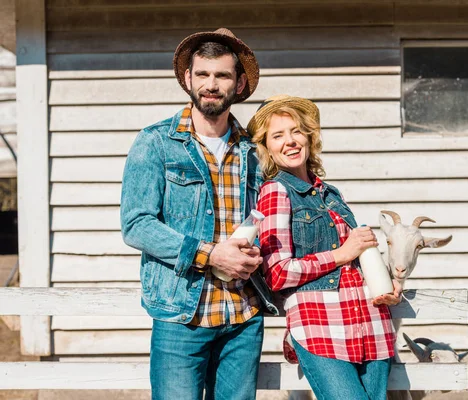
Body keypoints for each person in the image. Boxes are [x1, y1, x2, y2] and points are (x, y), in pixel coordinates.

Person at [120, 28, 276, 400]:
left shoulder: (255, 151)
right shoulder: (155, 142)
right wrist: (209, 254)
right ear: (188, 79)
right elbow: (136, 225)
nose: (211, 84)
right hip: (181, 316)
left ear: (239, 84)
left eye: (222, 75)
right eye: (203, 74)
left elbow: (269, 218)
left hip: (242, 317)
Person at [250, 95, 402, 400]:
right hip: (320, 327)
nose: (290, 141)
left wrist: (387, 281)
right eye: (278, 135)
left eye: (295, 131)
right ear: (267, 146)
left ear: (308, 136)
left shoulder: (331, 193)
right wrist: (341, 254)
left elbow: (356, 259)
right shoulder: (275, 191)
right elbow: (277, 273)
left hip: (369, 324)